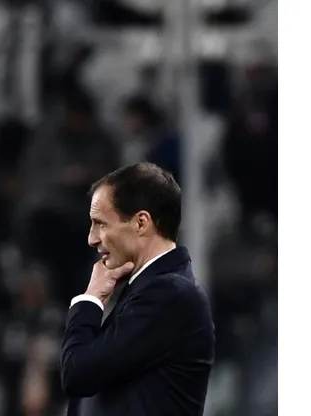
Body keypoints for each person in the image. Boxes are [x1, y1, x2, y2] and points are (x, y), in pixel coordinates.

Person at [60, 163, 214, 415]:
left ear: (141, 223)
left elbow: (78, 374)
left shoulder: (170, 294)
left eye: (101, 224)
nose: (92, 238)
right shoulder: (148, 289)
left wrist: (90, 300)